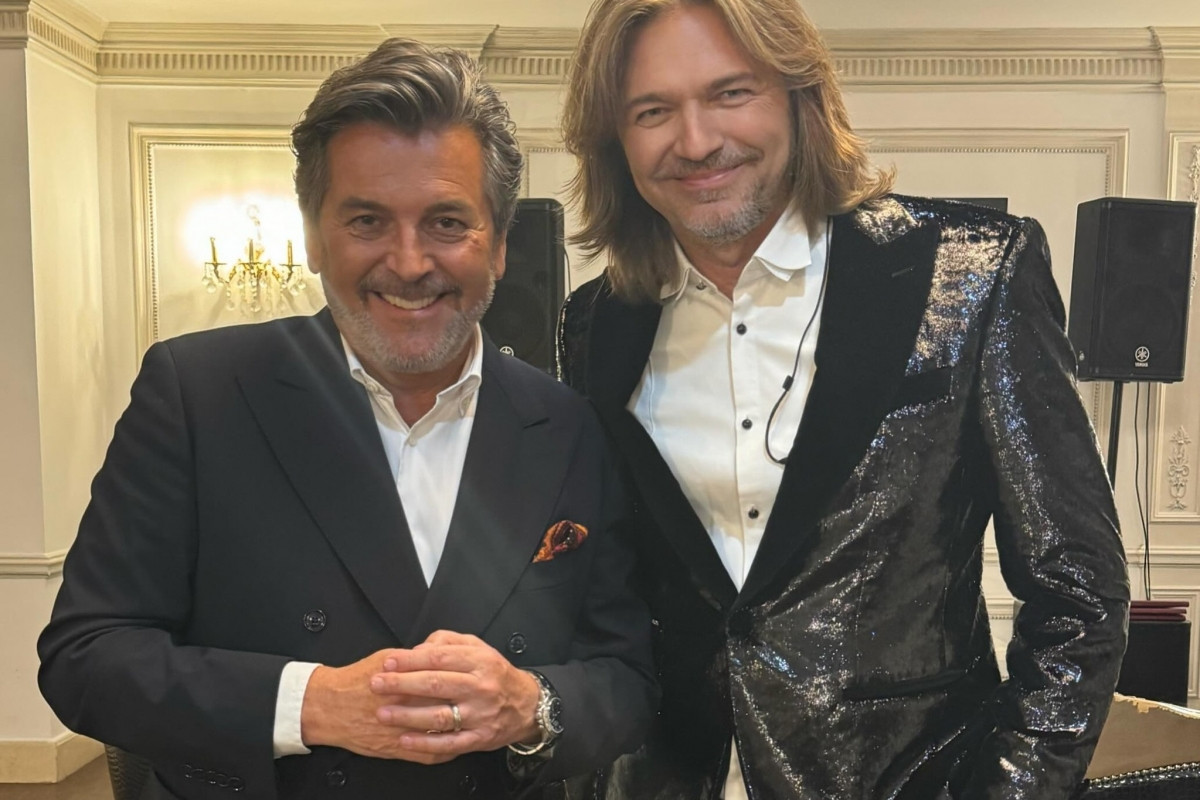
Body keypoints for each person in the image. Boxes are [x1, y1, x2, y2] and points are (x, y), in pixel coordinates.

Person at [38, 38, 656, 800]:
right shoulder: (198, 394)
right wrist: (309, 704)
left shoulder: (568, 425)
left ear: (499, 245)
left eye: (446, 222)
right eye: (367, 221)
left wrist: (533, 707)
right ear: (312, 237)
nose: (408, 262)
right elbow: (86, 657)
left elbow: (625, 675)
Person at [556, 1, 1130, 798]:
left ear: (800, 95)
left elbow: (1079, 593)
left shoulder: (972, 275)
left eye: (730, 93)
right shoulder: (598, 324)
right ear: (615, 138)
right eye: (652, 111)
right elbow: (610, 592)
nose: (695, 141)